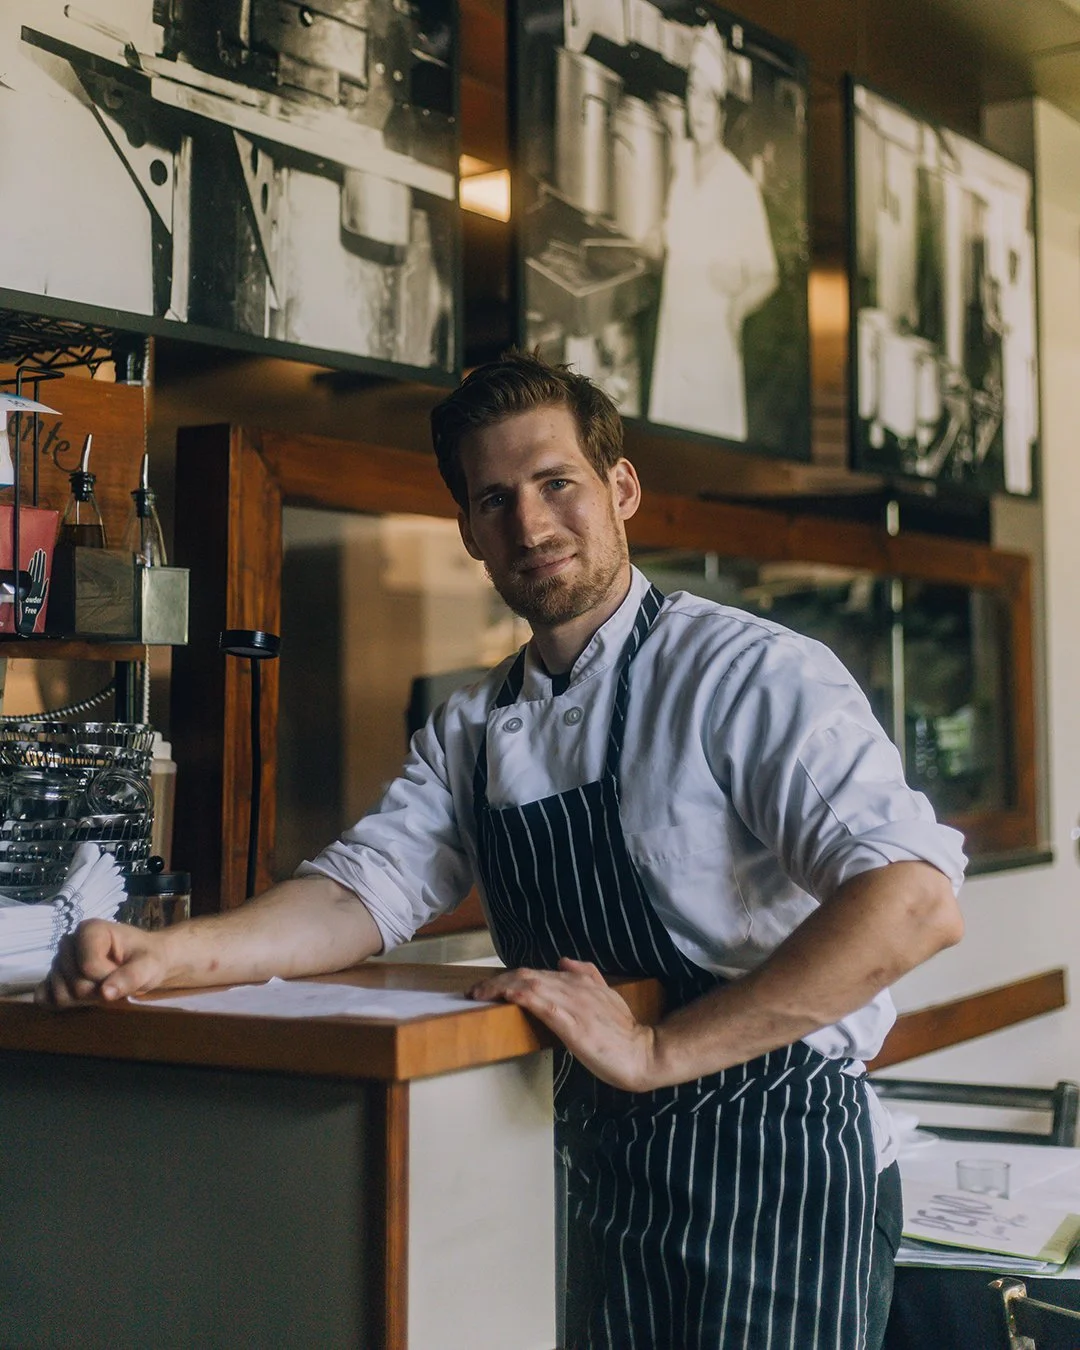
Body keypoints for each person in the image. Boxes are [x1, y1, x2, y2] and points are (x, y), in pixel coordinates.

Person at [40, 351, 966, 1349]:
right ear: (470, 531)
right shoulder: (475, 726)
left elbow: (913, 902)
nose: (530, 524)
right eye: (495, 499)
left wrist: (657, 1050)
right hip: (602, 1173)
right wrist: (166, 955)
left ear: (621, 489)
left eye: (556, 482)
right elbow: (359, 894)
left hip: (778, 1172)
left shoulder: (745, 672)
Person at [648, 23, 779, 441]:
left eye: (709, 98)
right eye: (693, 94)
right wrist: (654, 237)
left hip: (712, 351)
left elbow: (767, 273)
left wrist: (737, 308)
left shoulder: (738, 186)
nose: (700, 109)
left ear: (722, 111)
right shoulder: (681, 164)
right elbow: (673, 232)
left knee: (707, 449)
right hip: (674, 342)